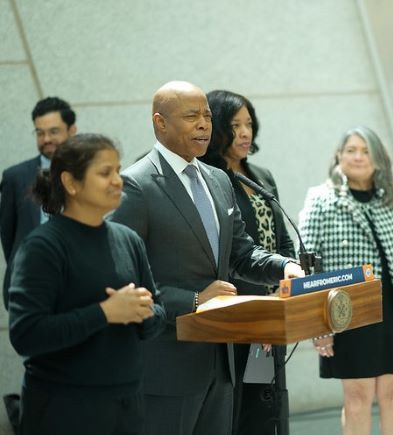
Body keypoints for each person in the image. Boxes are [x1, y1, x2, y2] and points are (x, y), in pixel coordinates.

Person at [110, 81, 304, 435]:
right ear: (160, 123)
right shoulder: (136, 186)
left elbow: (242, 252)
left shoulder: (218, 179)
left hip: (222, 361)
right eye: (191, 116)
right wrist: (197, 300)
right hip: (167, 364)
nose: (203, 124)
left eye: (207, 116)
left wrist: (284, 266)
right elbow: (124, 281)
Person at [8, 133, 166, 435]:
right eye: (105, 173)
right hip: (64, 407)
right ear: (70, 182)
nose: (118, 180)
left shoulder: (127, 239)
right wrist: (104, 313)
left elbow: (158, 311)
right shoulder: (43, 246)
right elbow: (26, 334)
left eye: (118, 171)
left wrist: (145, 312)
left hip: (126, 402)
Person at [298, 126, 393, 435]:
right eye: (351, 150)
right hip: (348, 314)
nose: (358, 157)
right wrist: (318, 325)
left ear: (379, 158)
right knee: (357, 399)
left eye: (366, 151)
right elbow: (307, 265)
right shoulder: (321, 199)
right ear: (338, 156)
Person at [201, 90, 295, 435]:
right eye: (234, 125)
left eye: (249, 124)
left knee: (267, 398)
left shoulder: (262, 175)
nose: (244, 132)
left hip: (274, 306)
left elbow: (282, 238)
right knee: (240, 400)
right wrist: (259, 306)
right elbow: (228, 252)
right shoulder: (211, 178)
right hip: (241, 309)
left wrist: (290, 273)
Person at [1, 97, 77, 309]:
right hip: (29, 285)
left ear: (72, 130)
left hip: (78, 285)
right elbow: (8, 236)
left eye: (53, 131)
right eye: (40, 132)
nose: (46, 139)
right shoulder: (15, 177)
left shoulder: (88, 174)